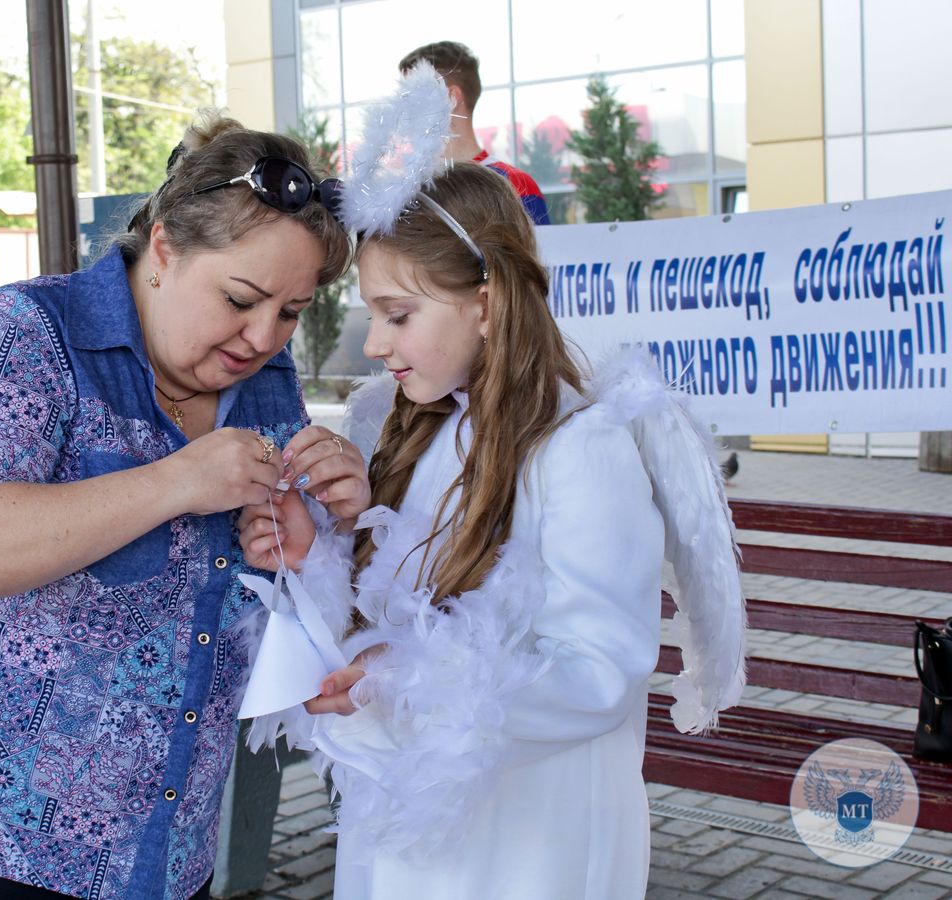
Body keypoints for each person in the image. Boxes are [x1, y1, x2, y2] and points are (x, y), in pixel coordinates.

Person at [0, 114, 370, 900]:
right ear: (164, 248)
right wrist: (175, 482)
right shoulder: (30, 333)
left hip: (161, 850)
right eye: (241, 298)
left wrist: (314, 533)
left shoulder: (266, 383)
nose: (263, 335)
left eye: (291, 312)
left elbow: (273, 580)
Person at [239, 165, 744, 897]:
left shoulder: (579, 447)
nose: (374, 343)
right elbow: (389, 608)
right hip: (408, 840)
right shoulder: (418, 428)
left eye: (399, 314)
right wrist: (318, 553)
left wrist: (408, 681)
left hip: (525, 847)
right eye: (371, 315)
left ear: (485, 303)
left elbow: (600, 670)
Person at [399, 40, 552, 225]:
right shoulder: (404, 195)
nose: (402, 110)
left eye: (412, 96)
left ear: (450, 97)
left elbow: (538, 254)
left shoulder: (517, 186)